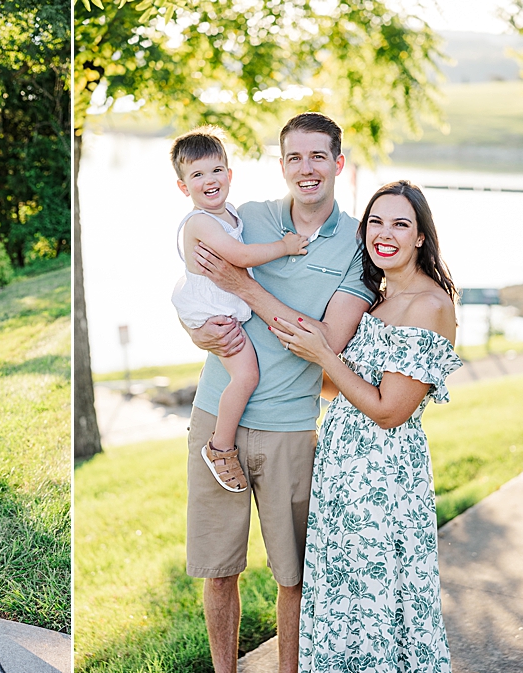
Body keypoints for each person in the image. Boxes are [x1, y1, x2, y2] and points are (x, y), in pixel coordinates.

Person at [185, 112, 375, 673]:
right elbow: (199, 285)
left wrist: (243, 287)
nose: (306, 168)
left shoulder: (359, 248)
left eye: (318, 156)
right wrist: (192, 327)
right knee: (219, 569)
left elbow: (322, 343)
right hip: (216, 414)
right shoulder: (249, 219)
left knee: (292, 573)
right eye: (294, 157)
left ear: (338, 164)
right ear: (282, 164)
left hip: (290, 426)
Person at [270, 181, 459, 672]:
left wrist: (325, 354)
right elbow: (344, 387)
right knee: (344, 598)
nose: (385, 233)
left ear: (421, 237)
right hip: (341, 474)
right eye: (376, 221)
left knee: (379, 601)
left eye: (401, 224)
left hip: (383, 480)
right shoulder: (377, 300)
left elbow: (389, 410)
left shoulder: (428, 305)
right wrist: (310, 348)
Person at [170, 125, 309, 493]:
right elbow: (240, 256)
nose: (209, 180)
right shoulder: (200, 222)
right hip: (213, 314)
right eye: (197, 175)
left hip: (224, 307)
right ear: (184, 187)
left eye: (216, 170)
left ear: (229, 175)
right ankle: (220, 448)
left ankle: (221, 444)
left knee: (247, 373)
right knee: (246, 376)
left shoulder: (229, 213)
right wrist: (286, 246)